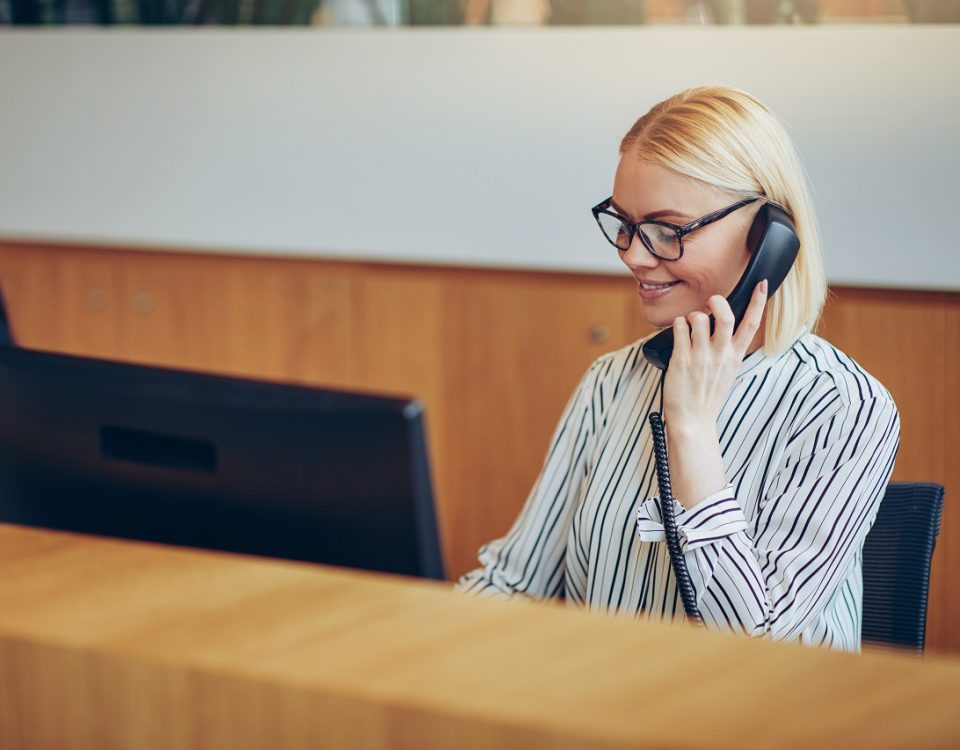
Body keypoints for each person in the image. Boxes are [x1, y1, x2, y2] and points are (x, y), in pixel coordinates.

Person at [455, 86, 900, 652]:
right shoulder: (611, 382)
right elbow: (515, 584)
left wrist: (690, 429)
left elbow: (762, 651)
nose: (634, 256)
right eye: (625, 224)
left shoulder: (842, 408)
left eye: (668, 231)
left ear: (770, 238)